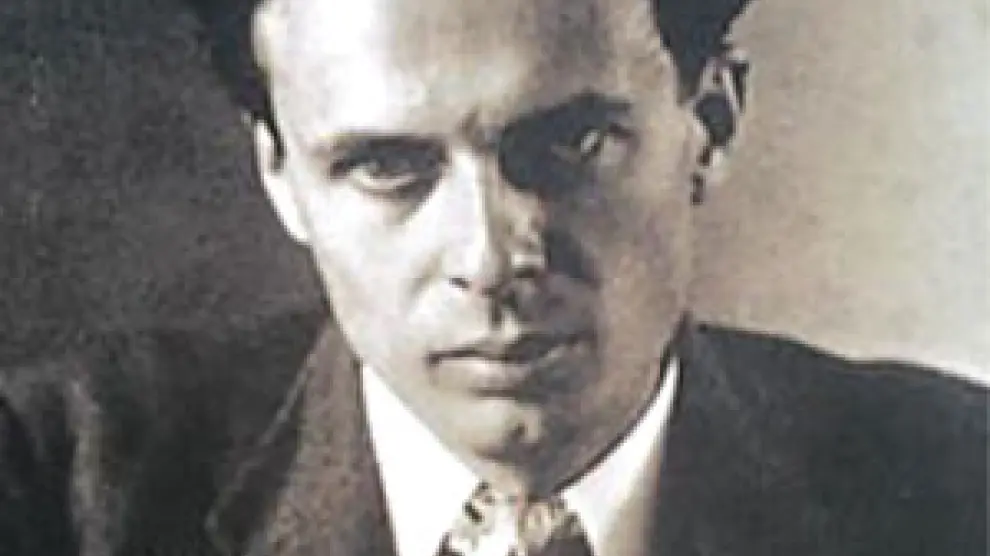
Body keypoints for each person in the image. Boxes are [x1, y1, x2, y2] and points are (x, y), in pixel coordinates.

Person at [0, 0, 985, 555]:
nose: (491, 259)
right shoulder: (50, 486)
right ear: (280, 175)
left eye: (573, 143)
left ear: (710, 124)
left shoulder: (959, 482)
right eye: (386, 165)